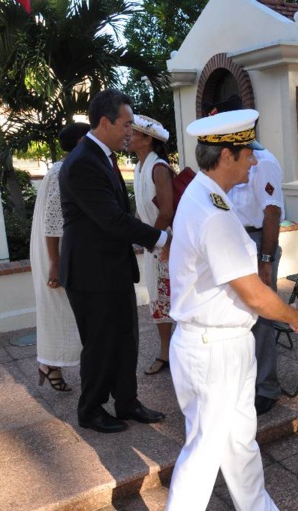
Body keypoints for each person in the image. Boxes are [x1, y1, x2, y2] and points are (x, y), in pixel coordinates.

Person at [166, 109, 298, 511]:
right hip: (215, 349)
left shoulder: (206, 195)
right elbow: (254, 295)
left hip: (219, 342)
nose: (254, 161)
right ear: (226, 155)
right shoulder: (214, 213)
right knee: (205, 452)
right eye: (247, 153)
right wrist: (295, 317)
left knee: (239, 441)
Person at [59, 89, 169, 434]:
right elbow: (111, 219)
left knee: (125, 338)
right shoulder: (82, 163)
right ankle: (90, 410)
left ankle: (127, 402)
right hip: (91, 274)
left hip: (113, 269)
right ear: (104, 122)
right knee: (100, 344)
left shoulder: (102, 156)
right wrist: (161, 239)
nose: (129, 131)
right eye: (126, 124)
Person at [205, 95, 285, 416]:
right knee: (236, 316)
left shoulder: (261, 160)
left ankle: (266, 387)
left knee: (262, 318)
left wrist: (265, 263)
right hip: (232, 242)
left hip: (255, 244)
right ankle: (243, 380)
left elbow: (272, 213)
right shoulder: (229, 158)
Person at [30, 122, 89, 392]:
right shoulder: (60, 171)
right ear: (80, 140)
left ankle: (52, 363)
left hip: (63, 249)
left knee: (65, 309)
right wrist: (55, 264)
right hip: (56, 251)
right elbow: (53, 220)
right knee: (58, 308)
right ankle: (50, 363)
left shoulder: (64, 168)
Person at [128, 114, 175, 376]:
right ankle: (167, 352)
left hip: (165, 244)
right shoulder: (139, 167)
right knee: (159, 299)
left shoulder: (158, 168)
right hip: (154, 244)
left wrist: (150, 238)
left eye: (133, 132)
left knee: (168, 299)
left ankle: (168, 353)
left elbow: (166, 211)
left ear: (147, 139)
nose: (128, 136)